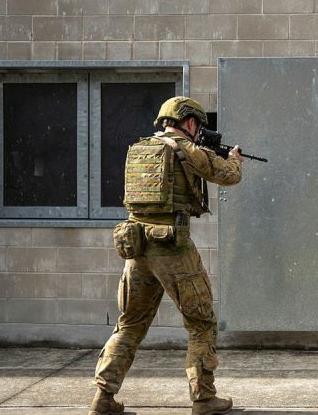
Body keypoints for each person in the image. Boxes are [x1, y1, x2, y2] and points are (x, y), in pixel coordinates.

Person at [90, 97, 244, 415]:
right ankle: (204, 399)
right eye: (198, 126)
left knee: (130, 324)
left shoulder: (139, 149)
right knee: (201, 323)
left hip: (136, 246)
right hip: (171, 247)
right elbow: (228, 176)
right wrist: (234, 160)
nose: (199, 131)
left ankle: (103, 398)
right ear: (189, 123)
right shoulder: (186, 150)